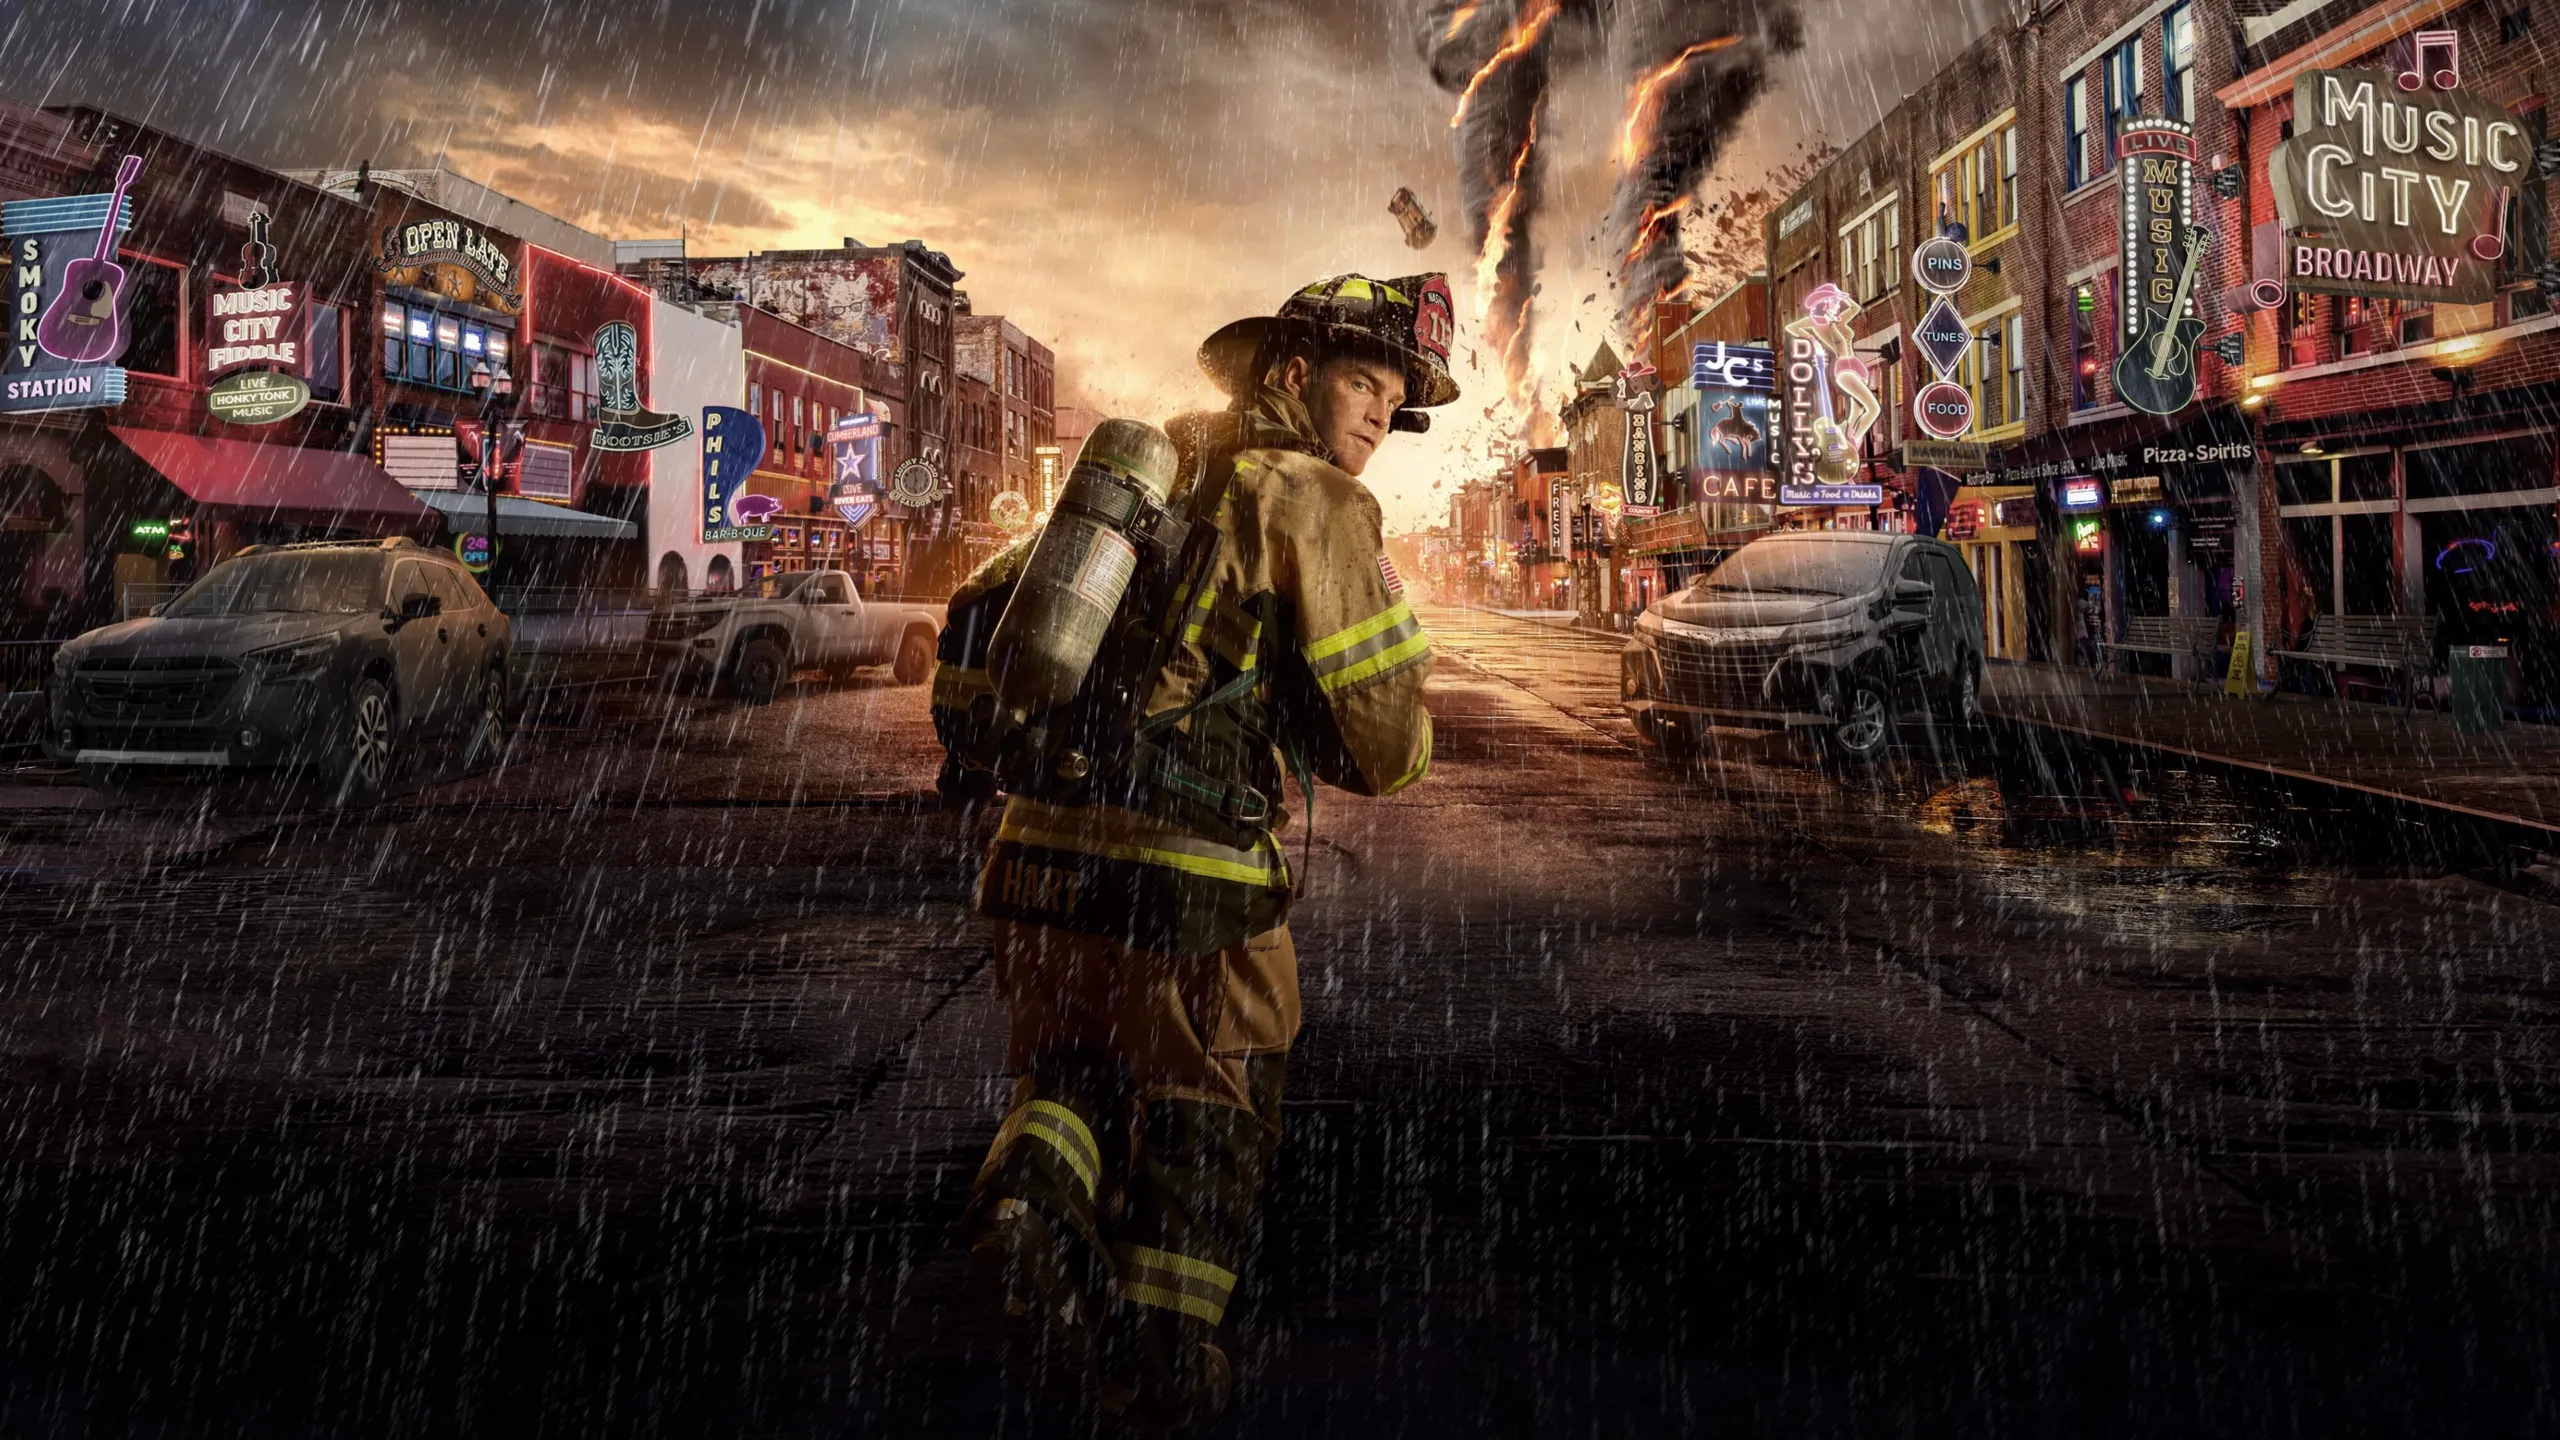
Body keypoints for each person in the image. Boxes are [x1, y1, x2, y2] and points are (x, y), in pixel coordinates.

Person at [948, 273, 1454, 1431]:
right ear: (1290, 375)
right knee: (1207, 1111)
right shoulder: (1312, 496)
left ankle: (1026, 1209)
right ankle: (1169, 1368)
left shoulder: (1145, 471)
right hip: (1191, 892)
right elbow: (1379, 740)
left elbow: (981, 611)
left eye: (1395, 399)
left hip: (1036, 863)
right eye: (1364, 383)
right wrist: (1414, 742)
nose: (1381, 415)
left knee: (1070, 1082)